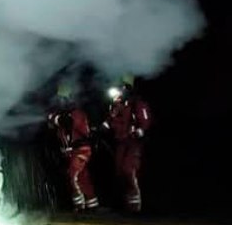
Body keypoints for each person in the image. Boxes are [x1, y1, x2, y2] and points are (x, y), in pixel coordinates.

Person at [103, 77, 153, 212]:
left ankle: (136, 205)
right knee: (119, 171)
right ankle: (125, 204)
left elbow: (145, 121)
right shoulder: (116, 105)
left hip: (133, 142)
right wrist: (102, 127)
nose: (118, 92)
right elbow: (110, 121)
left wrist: (141, 130)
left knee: (128, 170)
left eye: (122, 88)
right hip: (120, 142)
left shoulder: (137, 104)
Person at [46, 85, 99, 211]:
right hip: (73, 151)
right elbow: (52, 125)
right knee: (83, 177)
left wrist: (53, 117)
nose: (59, 102)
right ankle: (92, 204)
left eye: (61, 99)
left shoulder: (76, 114)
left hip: (81, 150)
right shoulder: (64, 114)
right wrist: (53, 118)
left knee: (73, 175)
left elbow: (65, 122)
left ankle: (79, 206)